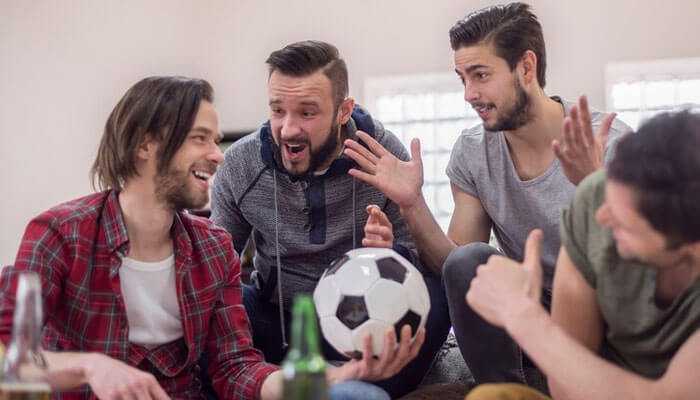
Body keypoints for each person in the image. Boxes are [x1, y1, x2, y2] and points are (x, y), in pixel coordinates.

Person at [0, 76, 420, 400]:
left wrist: (338, 375)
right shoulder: (58, 234)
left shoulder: (213, 248)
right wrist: (91, 367)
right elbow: (9, 362)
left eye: (216, 141)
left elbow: (236, 370)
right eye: (200, 138)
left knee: (358, 395)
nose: (219, 154)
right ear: (146, 145)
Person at [342, 2, 631, 392]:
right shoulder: (474, 151)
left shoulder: (609, 143)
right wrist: (413, 204)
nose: (468, 94)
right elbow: (457, 264)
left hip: (600, 310)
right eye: (462, 78)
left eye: (480, 75)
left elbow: (644, 266)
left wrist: (596, 185)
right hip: (527, 307)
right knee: (468, 260)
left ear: (526, 68)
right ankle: (506, 392)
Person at [210, 40, 450, 398]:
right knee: (217, 301)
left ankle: (355, 382)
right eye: (278, 110)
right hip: (278, 322)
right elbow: (214, 266)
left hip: (360, 330)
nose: (288, 129)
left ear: (343, 111)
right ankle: (292, 382)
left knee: (440, 292)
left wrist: (392, 249)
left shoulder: (382, 154)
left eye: (307, 113)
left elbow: (418, 266)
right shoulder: (242, 165)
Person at [464, 110, 700, 400]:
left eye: (624, 223)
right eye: (608, 199)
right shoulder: (596, 198)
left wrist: (521, 314)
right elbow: (564, 386)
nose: (601, 217)